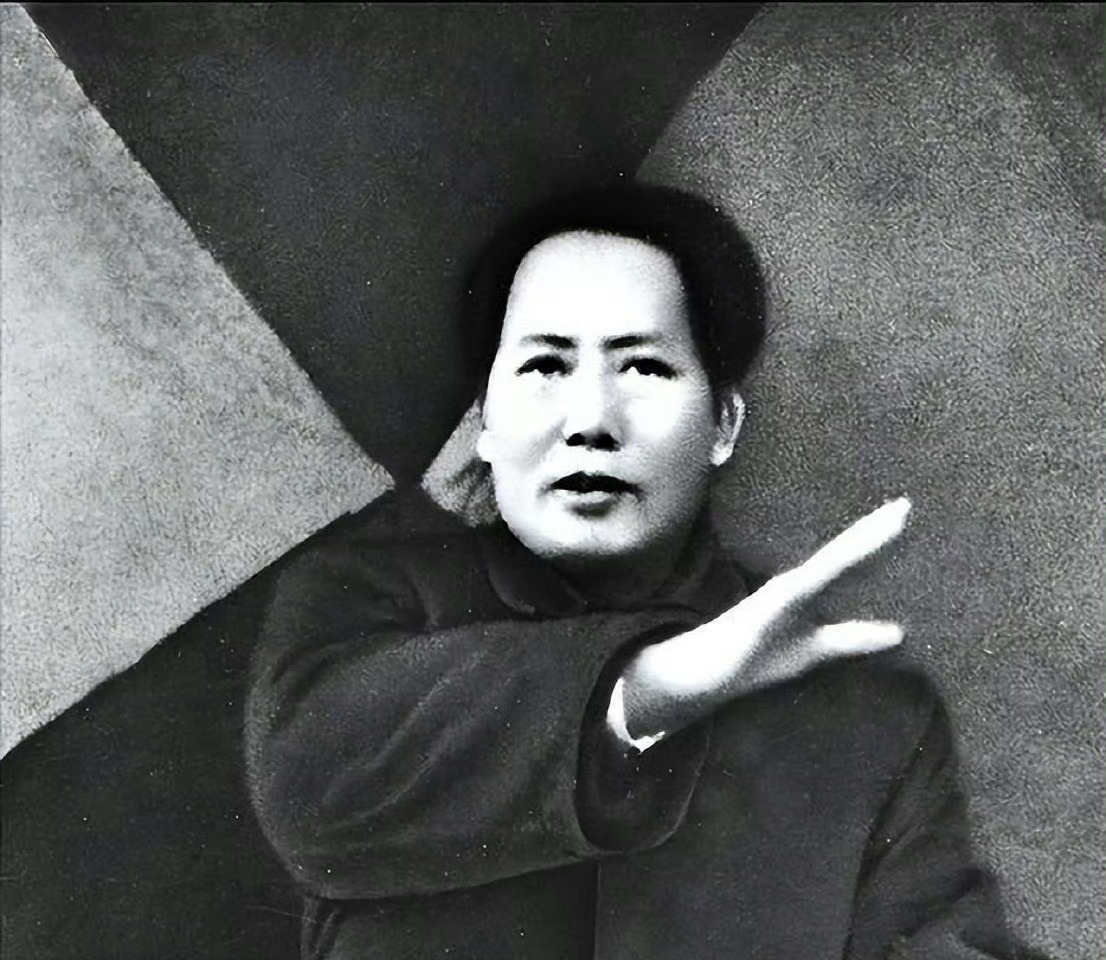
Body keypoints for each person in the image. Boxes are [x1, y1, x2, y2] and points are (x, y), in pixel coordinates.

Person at [246, 185, 1040, 959]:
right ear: (485, 419)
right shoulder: (363, 601)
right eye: (545, 366)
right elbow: (309, 788)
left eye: (644, 368)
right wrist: (647, 689)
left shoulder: (870, 712)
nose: (591, 420)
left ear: (723, 424)